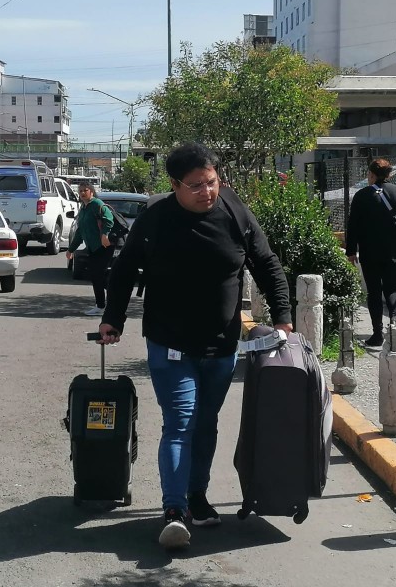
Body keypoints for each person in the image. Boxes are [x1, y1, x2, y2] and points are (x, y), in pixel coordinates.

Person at [96, 142, 293, 549]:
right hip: (170, 342)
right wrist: (112, 318)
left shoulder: (235, 211)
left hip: (220, 344)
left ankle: (197, 496)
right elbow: (124, 269)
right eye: (196, 185)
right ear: (175, 185)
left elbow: (266, 262)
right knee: (181, 421)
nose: (207, 191)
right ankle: (174, 509)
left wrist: (284, 316)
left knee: (206, 423)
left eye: (212, 181)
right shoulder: (155, 217)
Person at [346, 158, 396, 348]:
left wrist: (351, 251)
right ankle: (394, 326)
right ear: (389, 175)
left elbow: (353, 226)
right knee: (393, 290)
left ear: (371, 174)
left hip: (369, 253)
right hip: (395, 252)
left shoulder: (361, 195)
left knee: (374, 292)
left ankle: (377, 334)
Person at [66, 183, 115, 316]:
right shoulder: (84, 208)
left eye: (85, 190)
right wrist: (71, 249)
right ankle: (107, 302)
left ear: (91, 192)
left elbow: (109, 219)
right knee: (97, 276)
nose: (82, 193)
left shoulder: (97, 204)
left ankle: (103, 306)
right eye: (80, 191)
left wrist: (105, 234)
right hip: (93, 247)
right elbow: (80, 232)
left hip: (104, 246)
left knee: (98, 275)